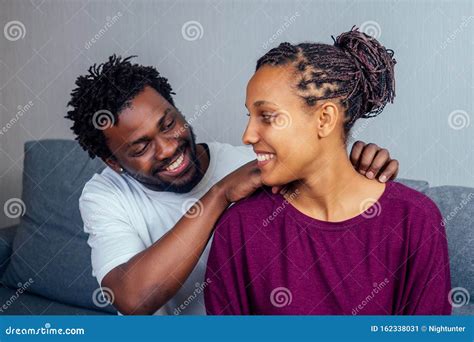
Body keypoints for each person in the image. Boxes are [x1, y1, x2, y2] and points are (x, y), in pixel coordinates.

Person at [66, 54, 399, 315]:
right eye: (140, 147)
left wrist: (354, 170)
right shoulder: (104, 195)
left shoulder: (258, 165)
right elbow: (133, 299)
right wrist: (220, 194)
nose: (167, 148)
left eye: (169, 124)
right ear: (114, 163)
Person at [204, 28, 451, 315]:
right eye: (250, 116)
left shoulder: (415, 219)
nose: (247, 135)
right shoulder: (239, 228)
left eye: (267, 117)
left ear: (324, 119)